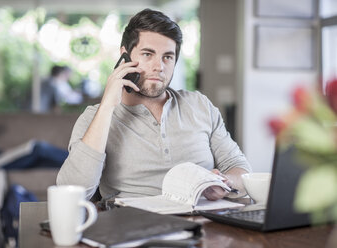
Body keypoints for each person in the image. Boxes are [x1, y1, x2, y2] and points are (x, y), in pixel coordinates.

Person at [57, 9, 251, 201]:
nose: (159, 66)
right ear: (124, 56)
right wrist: (107, 105)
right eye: (148, 54)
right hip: (133, 226)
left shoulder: (200, 105)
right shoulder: (95, 117)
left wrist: (226, 183)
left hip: (205, 224)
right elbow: (73, 191)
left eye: (168, 57)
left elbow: (241, 170)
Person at [0, 92, 68, 170]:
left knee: (43, 160)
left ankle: (77, 168)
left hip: (1, 156)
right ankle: (78, 160)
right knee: (38, 147)